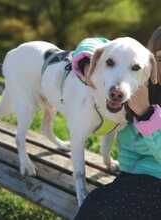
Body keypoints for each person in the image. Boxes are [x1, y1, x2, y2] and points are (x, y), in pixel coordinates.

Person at [74, 27, 161, 220]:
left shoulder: (139, 99)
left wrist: (146, 114)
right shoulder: (138, 86)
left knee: (96, 208)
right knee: (95, 205)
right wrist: (90, 63)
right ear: (150, 64)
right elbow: (95, 43)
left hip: (155, 179)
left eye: (135, 67)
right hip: (131, 175)